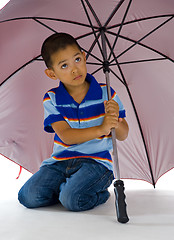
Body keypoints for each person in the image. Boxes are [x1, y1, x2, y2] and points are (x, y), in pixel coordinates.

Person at [18, 33, 129, 211]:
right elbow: (66, 136)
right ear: (51, 73)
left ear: (84, 57)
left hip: (96, 163)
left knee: (73, 201)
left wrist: (116, 120)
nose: (75, 69)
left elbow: (123, 135)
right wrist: (101, 128)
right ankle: (67, 189)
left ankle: (92, 193)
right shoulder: (52, 98)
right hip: (60, 162)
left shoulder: (106, 93)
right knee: (27, 196)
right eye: (64, 65)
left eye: (77, 59)